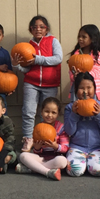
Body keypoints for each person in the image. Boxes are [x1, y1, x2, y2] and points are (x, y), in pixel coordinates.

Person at [12, 15, 62, 152]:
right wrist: (16, 65)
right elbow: (27, 68)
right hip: (31, 83)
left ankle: (44, 142)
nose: (38, 29)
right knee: (28, 112)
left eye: (41, 27)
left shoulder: (53, 41)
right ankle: (28, 140)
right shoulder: (28, 46)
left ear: (47, 29)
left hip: (50, 84)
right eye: (35, 27)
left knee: (46, 115)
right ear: (31, 29)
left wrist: (38, 60)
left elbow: (58, 58)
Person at [64, 72, 100, 177]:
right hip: (77, 147)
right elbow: (69, 131)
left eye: (89, 87)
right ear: (76, 90)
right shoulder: (70, 107)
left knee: (98, 171)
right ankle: (83, 164)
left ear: (94, 88)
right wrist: (74, 114)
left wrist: (99, 115)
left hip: (97, 147)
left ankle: (89, 164)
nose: (85, 91)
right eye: (81, 88)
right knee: (74, 171)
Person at [16, 97, 69, 181]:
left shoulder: (61, 128)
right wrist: (37, 148)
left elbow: (66, 148)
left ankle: (33, 169)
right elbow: (36, 152)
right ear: (41, 112)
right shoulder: (39, 128)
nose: (49, 115)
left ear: (58, 114)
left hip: (54, 159)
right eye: (46, 111)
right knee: (23, 156)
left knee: (63, 161)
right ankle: (47, 172)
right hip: (41, 158)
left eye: (53, 112)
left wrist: (56, 146)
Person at [68, 24, 100, 101]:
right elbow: (71, 70)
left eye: (84, 37)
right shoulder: (75, 54)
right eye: (79, 36)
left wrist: (83, 75)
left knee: (93, 109)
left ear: (93, 39)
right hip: (78, 89)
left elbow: (97, 71)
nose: (80, 39)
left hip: (94, 89)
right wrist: (74, 75)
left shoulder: (97, 55)